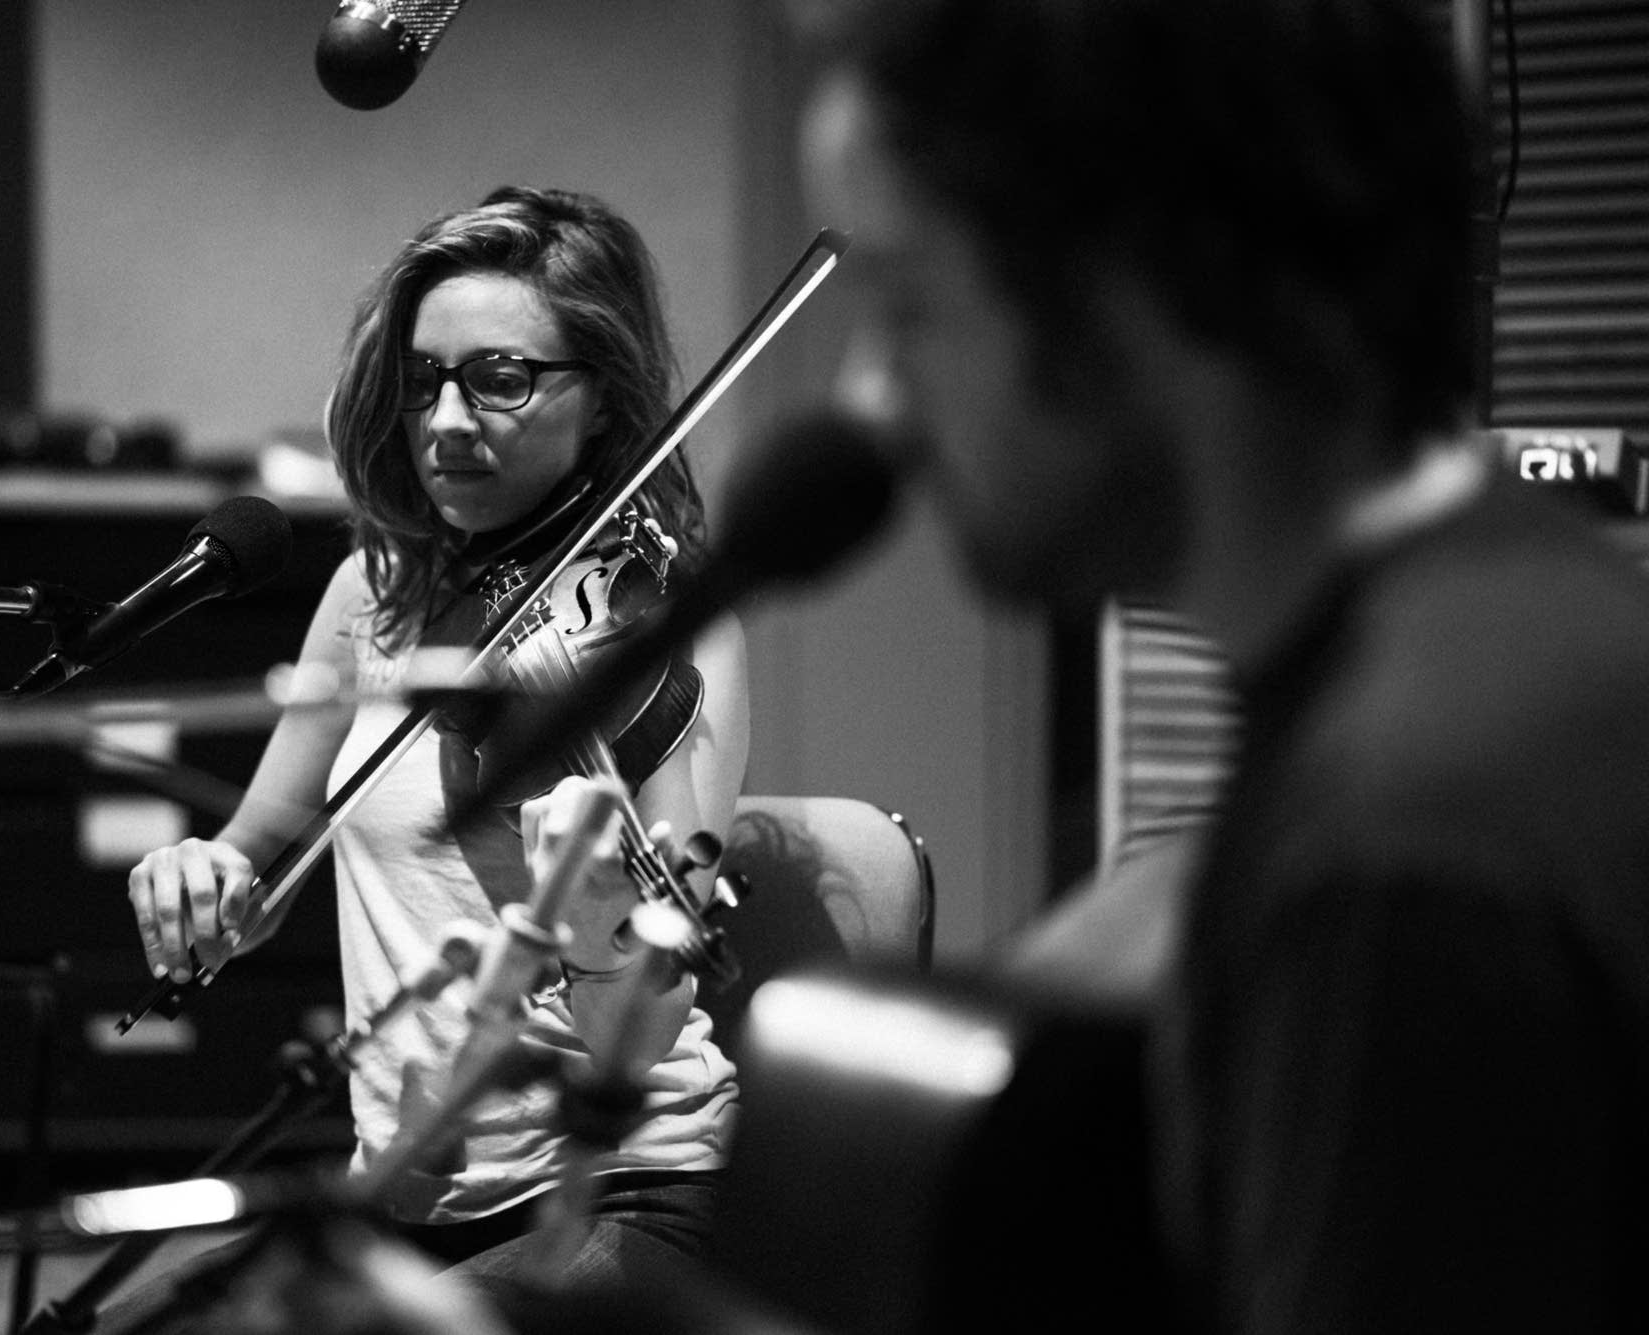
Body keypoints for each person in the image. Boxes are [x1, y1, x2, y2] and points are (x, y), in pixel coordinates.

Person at [789, 0, 1649, 1331]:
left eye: (909, 305)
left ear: (1134, 290)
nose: (876, 398)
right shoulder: (1545, 624)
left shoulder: (1397, 844)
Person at [125, 185, 749, 1305]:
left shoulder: (661, 622)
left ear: (602, 402)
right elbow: (265, 839)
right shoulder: (370, 593)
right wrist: (205, 875)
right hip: (400, 1189)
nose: (447, 422)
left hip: (621, 1182)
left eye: (500, 379)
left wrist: (603, 929)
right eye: (423, 382)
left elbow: (641, 1029)